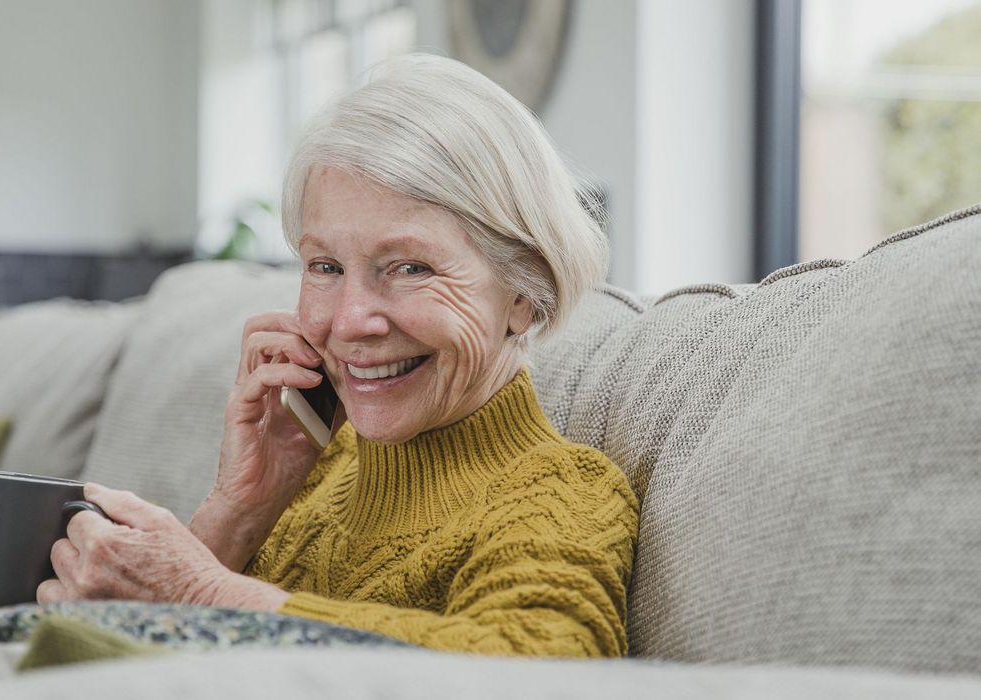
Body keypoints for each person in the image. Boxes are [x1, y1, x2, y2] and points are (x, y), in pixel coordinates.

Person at [37, 54, 639, 657]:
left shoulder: (562, 493)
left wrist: (202, 590)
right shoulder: (314, 464)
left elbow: (546, 672)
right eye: (325, 266)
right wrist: (238, 510)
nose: (349, 323)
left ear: (525, 295)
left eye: (409, 267)